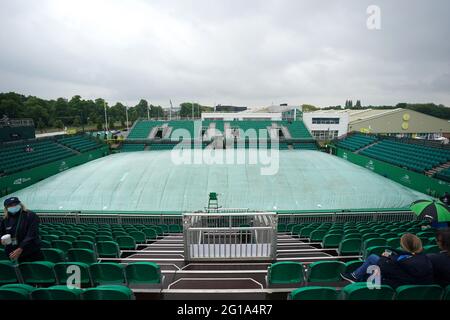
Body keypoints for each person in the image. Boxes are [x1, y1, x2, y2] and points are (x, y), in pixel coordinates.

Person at [341, 233, 434, 288]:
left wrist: (385, 257)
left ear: (404, 246)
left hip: (392, 284)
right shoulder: (424, 257)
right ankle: (359, 277)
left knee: (373, 258)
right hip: (412, 283)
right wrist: (394, 252)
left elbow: (383, 265)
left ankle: (355, 276)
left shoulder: (401, 260)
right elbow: (407, 256)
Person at [0, 197, 43, 263]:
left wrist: (21, 248)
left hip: (31, 252)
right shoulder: (5, 219)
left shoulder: (30, 215)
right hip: (14, 253)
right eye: (10, 205)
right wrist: (2, 240)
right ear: (6, 208)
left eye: (15, 204)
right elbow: (2, 233)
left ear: (20, 204)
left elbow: (31, 234)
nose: (13, 206)